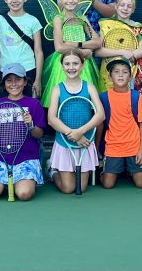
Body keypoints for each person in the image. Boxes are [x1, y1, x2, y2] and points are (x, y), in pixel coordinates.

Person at [0, 63, 46, 201]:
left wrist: (31, 125)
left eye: (18, 79)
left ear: (25, 82)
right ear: (4, 84)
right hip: (1, 159)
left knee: (24, 194)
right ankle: (6, 183)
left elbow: (39, 134)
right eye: (9, 80)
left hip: (27, 159)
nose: (13, 84)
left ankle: (20, 182)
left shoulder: (34, 104)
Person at [46, 52, 105, 194]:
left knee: (82, 187)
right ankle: (52, 171)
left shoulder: (89, 87)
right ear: (62, 66)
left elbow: (100, 115)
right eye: (67, 64)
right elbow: (51, 119)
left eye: (75, 63)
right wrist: (73, 134)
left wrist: (80, 132)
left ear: (82, 65)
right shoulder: (57, 89)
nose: (71, 67)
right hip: (64, 142)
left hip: (85, 141)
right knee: (68, 189)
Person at [38, 0, 102, 108]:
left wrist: (76, 44)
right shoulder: (58, 19)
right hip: (63, 62)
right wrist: (82, 52)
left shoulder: (82, 18)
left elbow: (97, 42)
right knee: (62, 99)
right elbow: (59, 47)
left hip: (83, 65)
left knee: (85, 99)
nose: (70, 0)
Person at [98, 58, 142, 190]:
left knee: (141, 184)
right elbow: (100, 125)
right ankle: (104, 171)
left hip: (133, 145)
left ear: (130, 77)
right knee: (108, 184)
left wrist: (141, 150)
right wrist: (97, 150)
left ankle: (128, 170)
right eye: (116, 72)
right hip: (113, 146)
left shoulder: (137, 96)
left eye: (125, 72)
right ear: (110, 76)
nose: (120, 75)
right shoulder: (103, 97)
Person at [0, 0, 44, 98]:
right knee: (6, 105)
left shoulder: (33, 21)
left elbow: (38, 51)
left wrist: (38, 79)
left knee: (28, 104)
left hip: (28, 70)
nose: (14, 0)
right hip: (6, 70)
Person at [95, 0, 142, 95]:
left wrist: (130, 56)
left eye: (129, 6)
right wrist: (122, 53)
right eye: (122, 5)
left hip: (130, 72)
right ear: (116, 6)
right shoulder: (105, 24)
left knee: (129, 101)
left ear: (133, 9)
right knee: (108, 101)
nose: (125, 8)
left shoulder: (138, 27)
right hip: (107, 73)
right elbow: (98, 52)